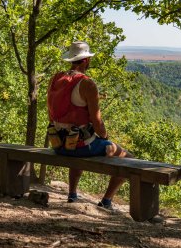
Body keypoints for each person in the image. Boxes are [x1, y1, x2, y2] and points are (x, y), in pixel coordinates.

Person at [47, 41, 132, 209]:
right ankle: (106, 201)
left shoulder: (56, 78)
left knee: (78, 143)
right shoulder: (87, 84)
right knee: (128, 159)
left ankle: (72, 194)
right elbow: (97, 122)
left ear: (71, 59)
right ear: (86, 60)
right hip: (78, 146)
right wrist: (105, 138)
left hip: (58, 144)